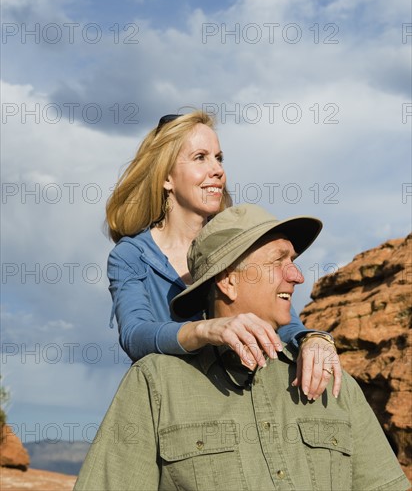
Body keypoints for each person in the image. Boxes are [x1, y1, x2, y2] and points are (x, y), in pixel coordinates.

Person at [75, 204, 410, 491]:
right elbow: (134, 330)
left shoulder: (329, 380)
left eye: (292, 261)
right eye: (279, 261)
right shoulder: (155, 385)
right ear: (228, 281)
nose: (296, 276)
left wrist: (314, 336)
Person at [106, 110, 341, 399]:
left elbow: (283, 318)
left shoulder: (238, 242)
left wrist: (313, 339)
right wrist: (207, 329)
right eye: (200, 157)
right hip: (173, 402)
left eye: (219, 158)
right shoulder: (131, 255)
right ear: (166, 177)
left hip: (241, 397)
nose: (217, 170)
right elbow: (135, 335)